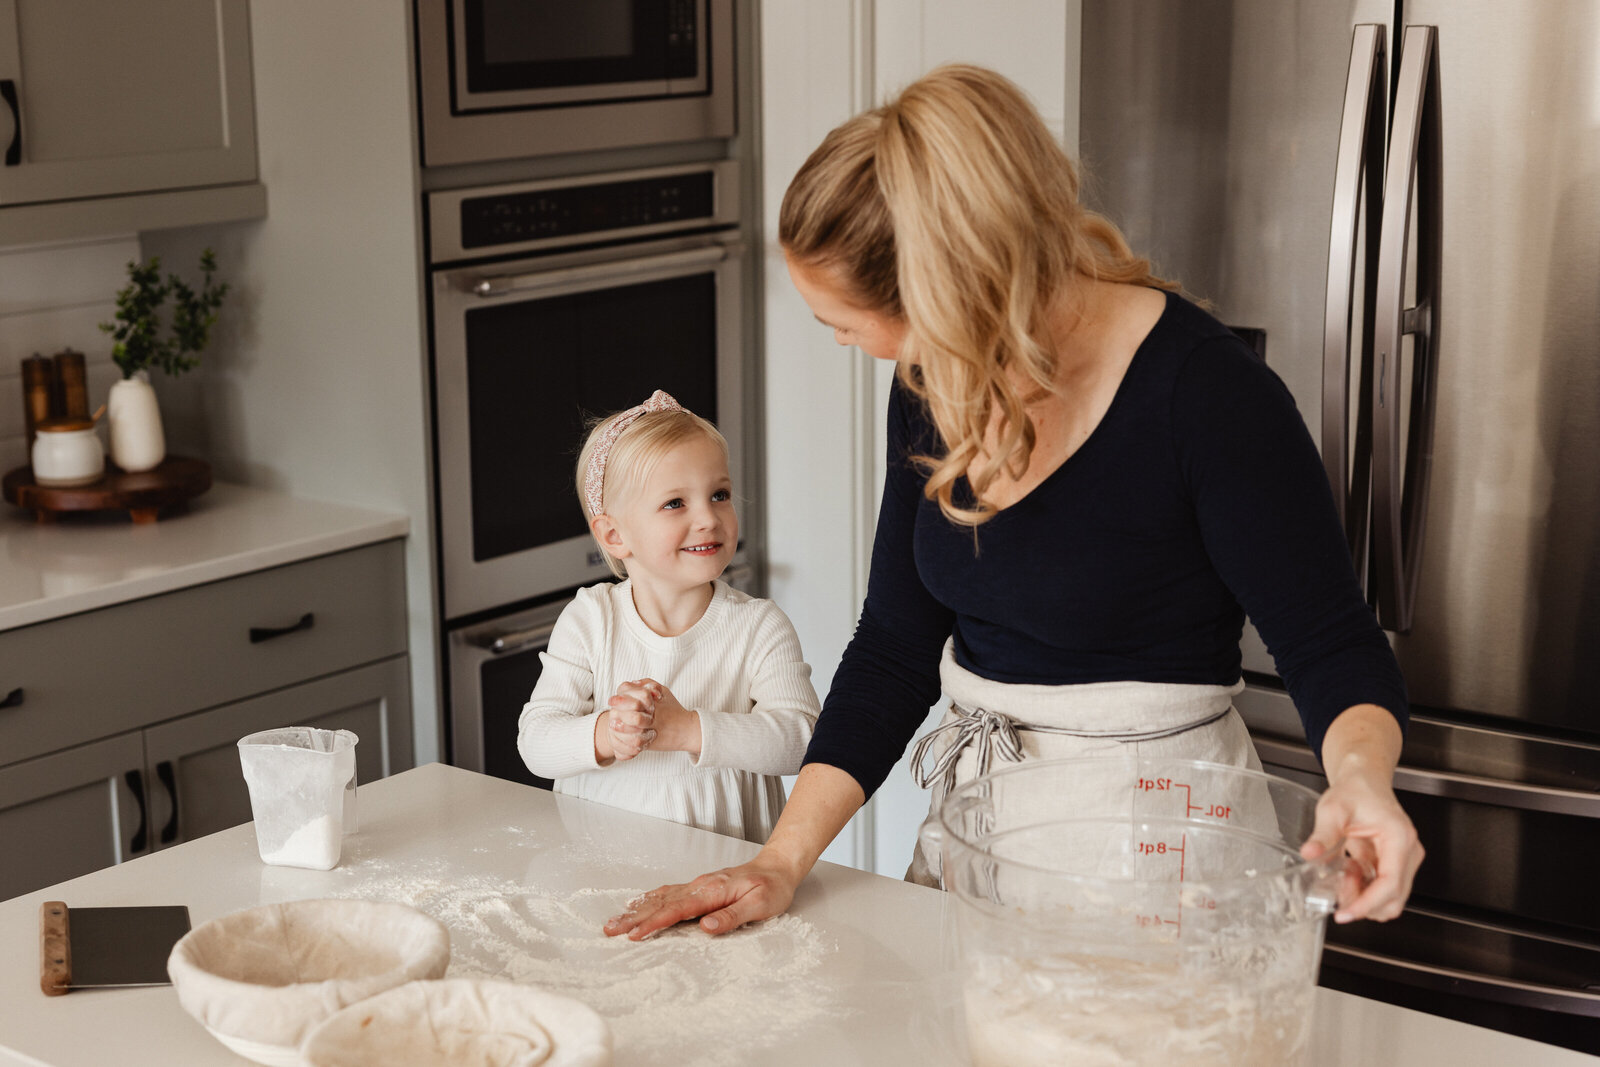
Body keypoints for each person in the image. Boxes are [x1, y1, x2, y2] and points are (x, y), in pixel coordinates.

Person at [604, 65, 1423, 939]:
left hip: (1163, 864)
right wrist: (778, 860)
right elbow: (895, 646)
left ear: (948, 298)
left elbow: (1329, 641)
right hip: (985, 835)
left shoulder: (1209, 397)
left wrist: (1364, 780)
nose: (850, 345)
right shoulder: (935, 381)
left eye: (845, 324)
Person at [518, 390, 822, 843]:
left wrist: (689, 730)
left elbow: (803, 742)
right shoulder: (590, 620)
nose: (708, 518)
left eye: (719, 494)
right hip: (597, 870)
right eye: (675, 503)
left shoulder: (758, 626)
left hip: (725, 874)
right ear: (615, 535)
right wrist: (606, 733)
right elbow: (536, 743)